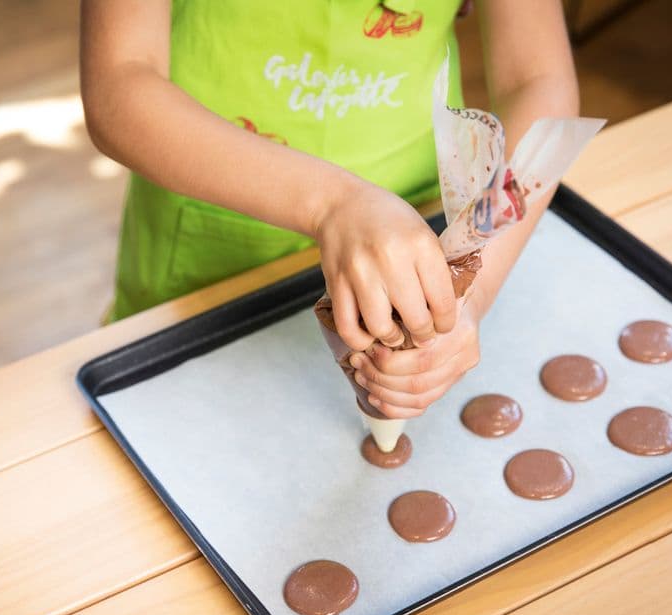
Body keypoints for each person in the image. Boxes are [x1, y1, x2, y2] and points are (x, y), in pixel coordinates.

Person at [81, 0, 579, 419]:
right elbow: (118, 87)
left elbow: (536, 79)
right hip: (205, 254)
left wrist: (473, 286)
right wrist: (334, 203)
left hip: (420, 227)